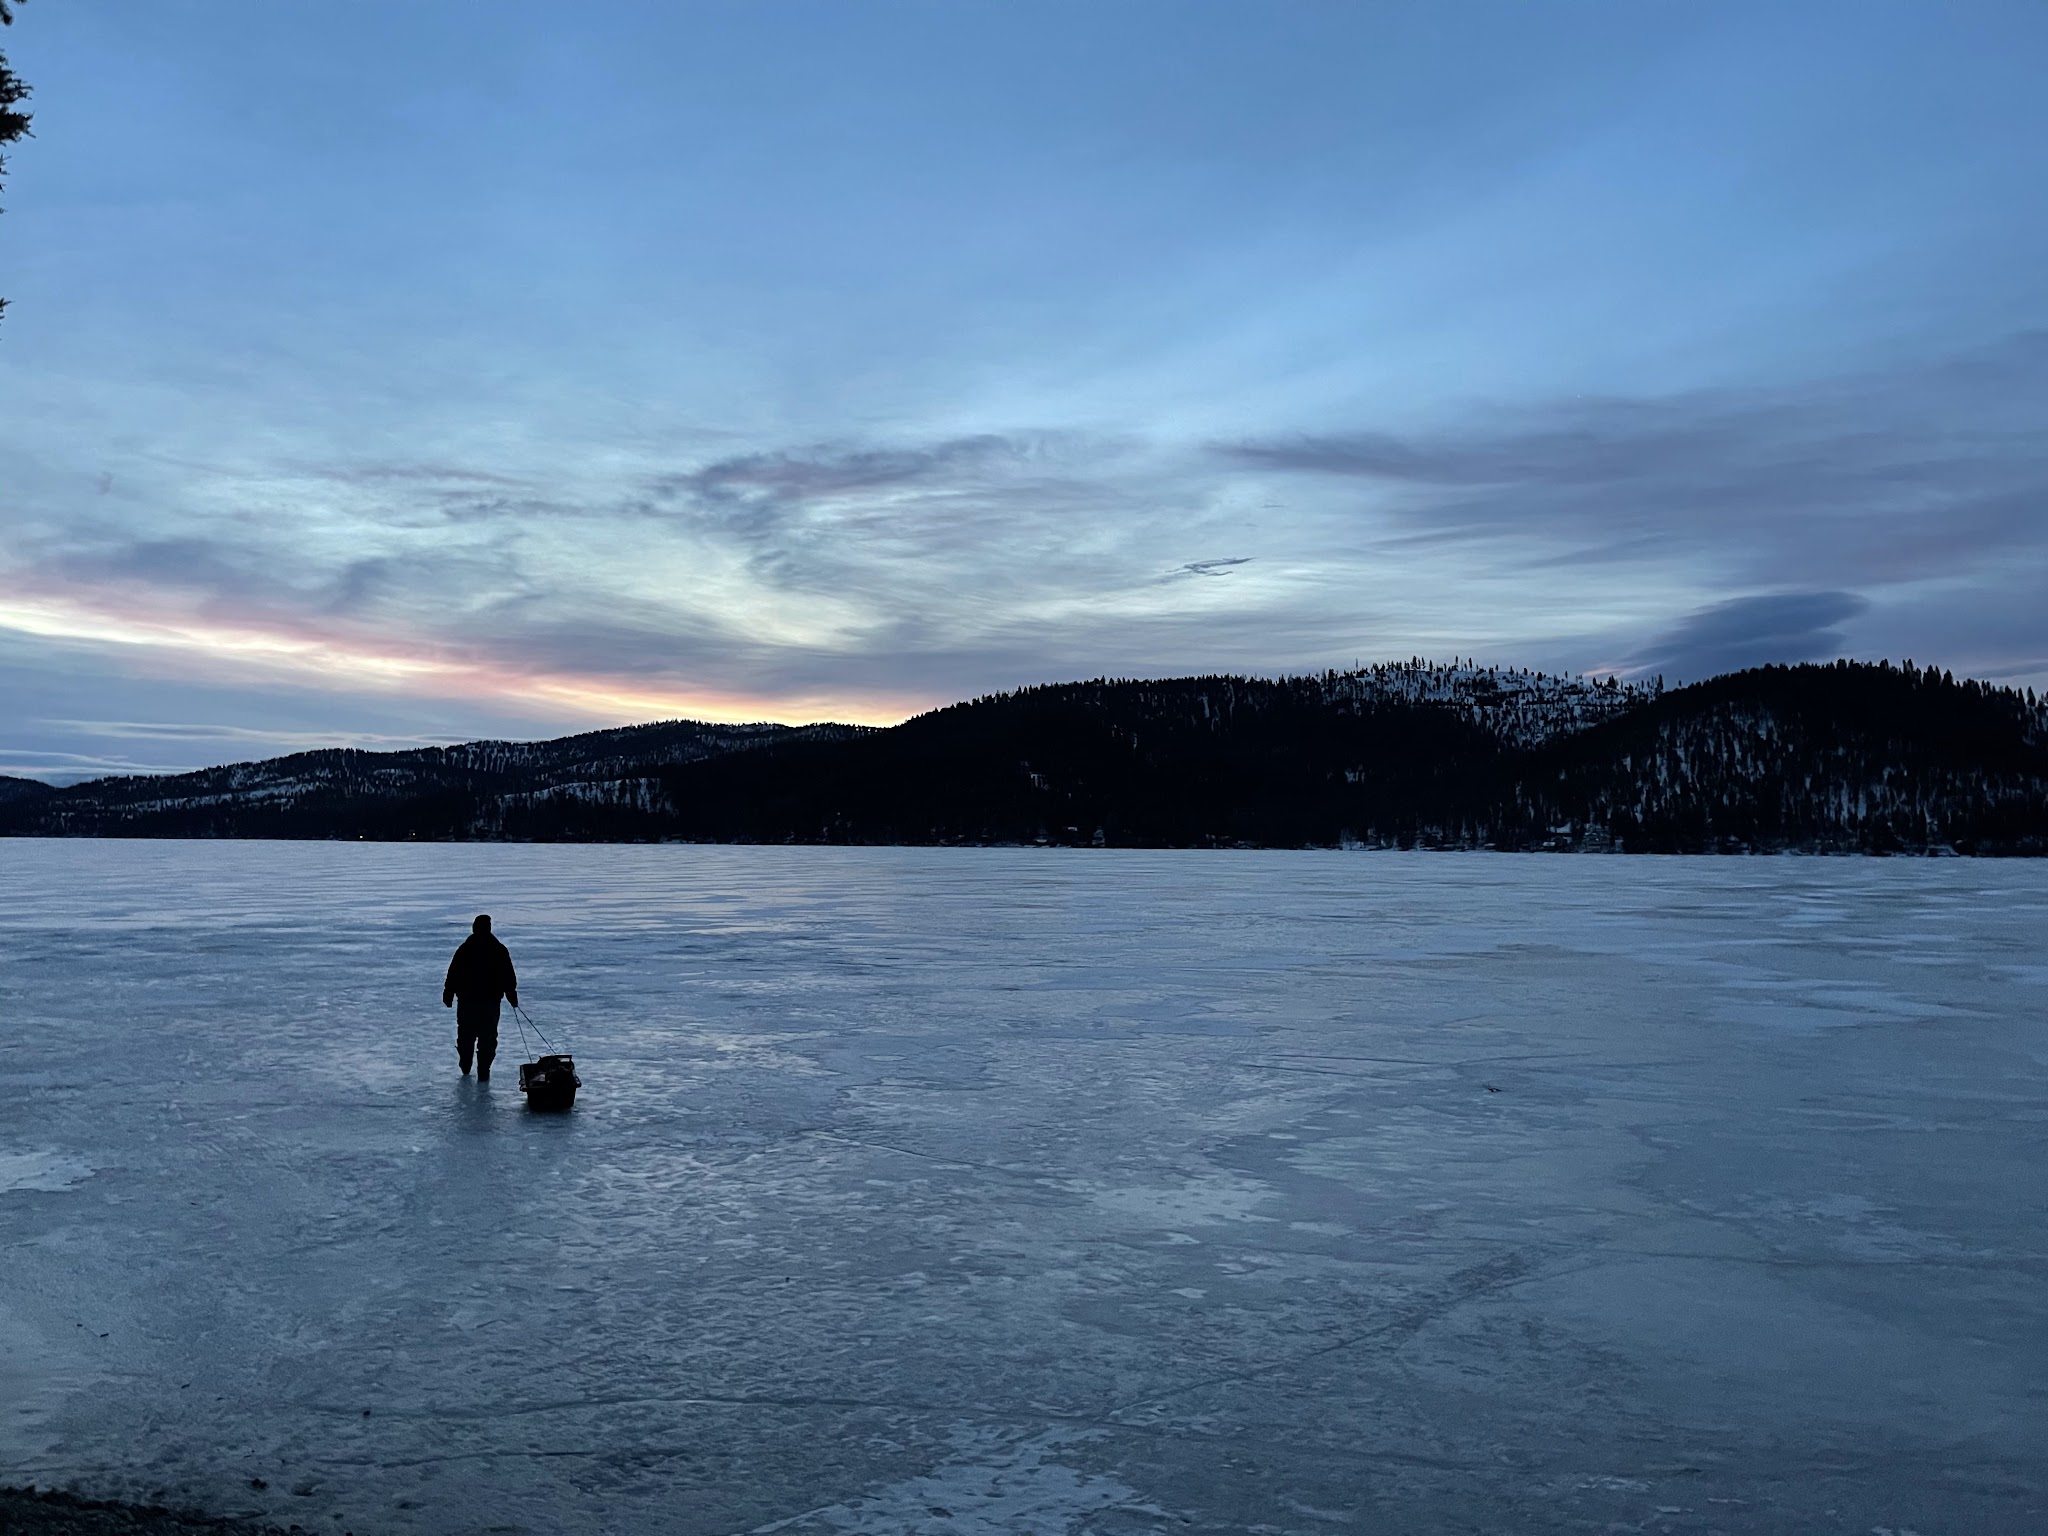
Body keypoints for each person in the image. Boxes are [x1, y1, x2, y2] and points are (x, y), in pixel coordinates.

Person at [443, 914, 518, 1080]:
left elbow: (453, 973)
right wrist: (511, 995)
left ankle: (467, 1067)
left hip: (470, 1002)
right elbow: (508, 976)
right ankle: (482, 1070)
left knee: (467, 1036)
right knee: (487, 1038)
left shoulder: (465, 949)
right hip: (487, 1003)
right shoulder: (498, 949)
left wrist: (448, 993)